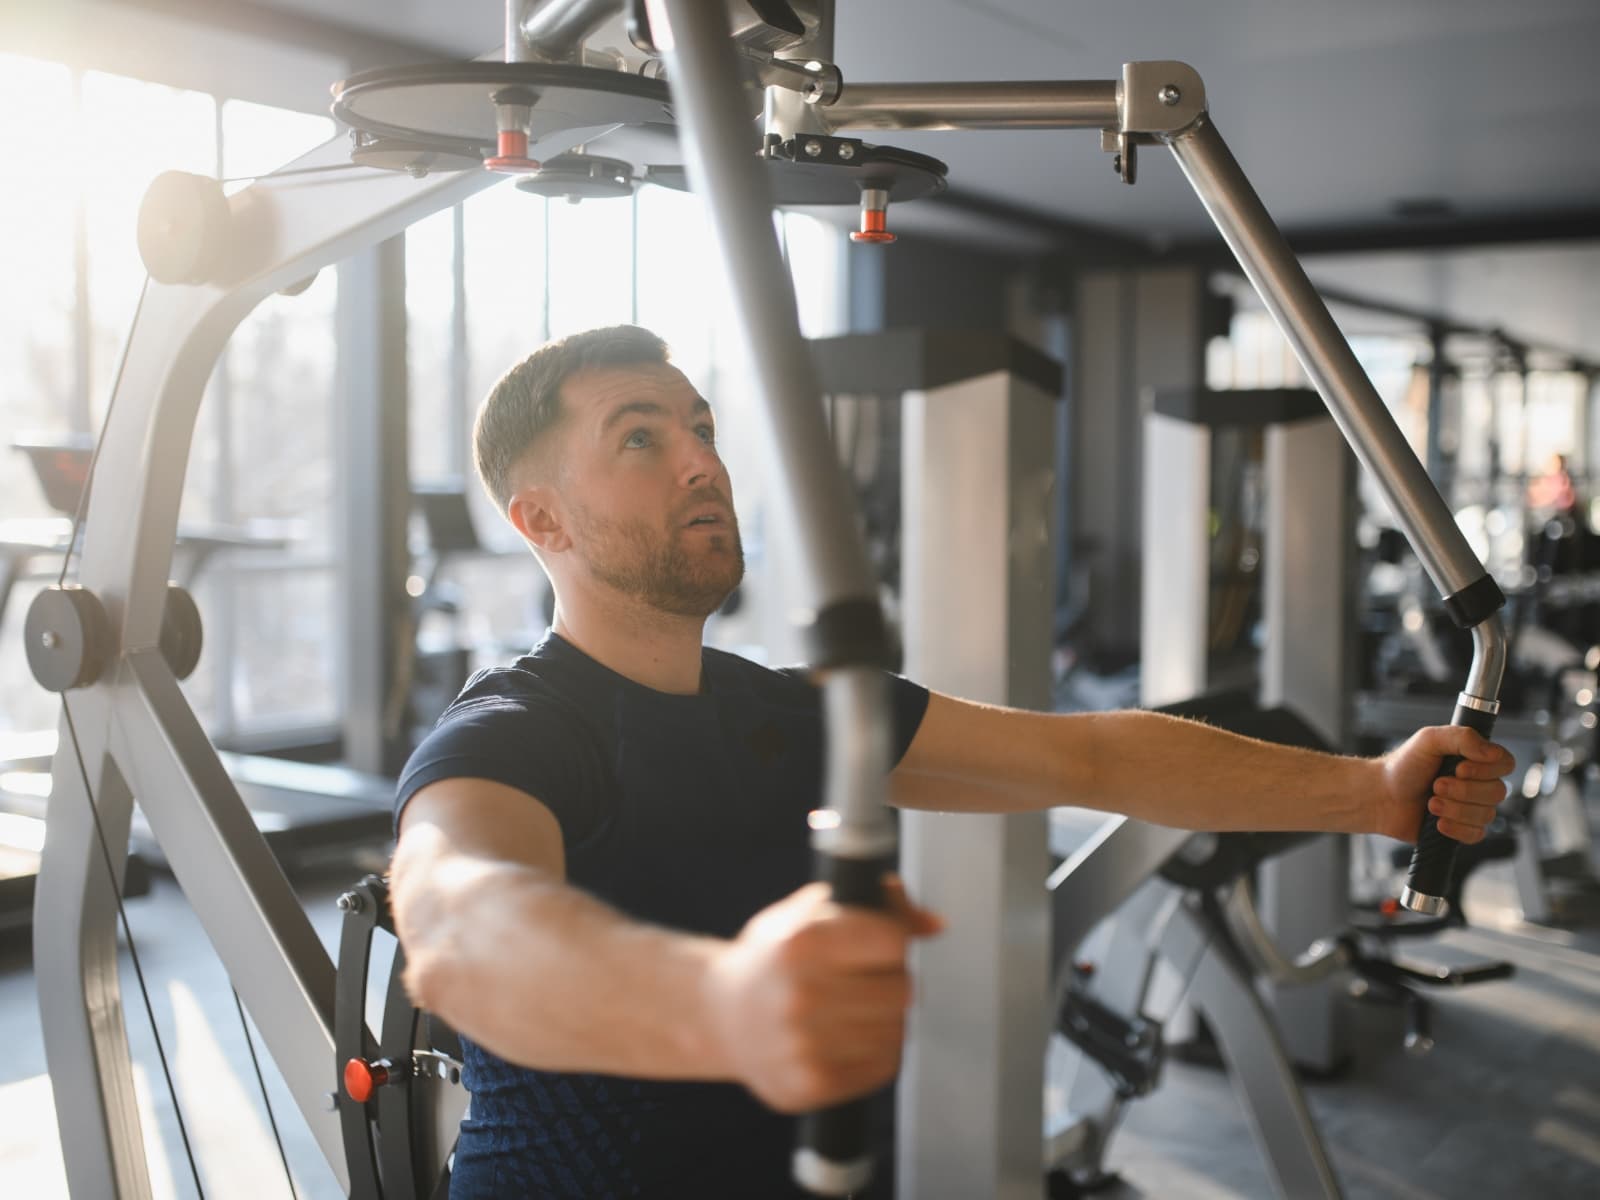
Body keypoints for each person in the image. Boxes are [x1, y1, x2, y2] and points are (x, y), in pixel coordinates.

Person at [390, 325, 1515, 1199]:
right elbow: (462, 929)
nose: (702, 463)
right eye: (641, 437)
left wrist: (1369, 792)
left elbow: (1087, 754)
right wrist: (721, 1003)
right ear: (540, 518)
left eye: (702, 427)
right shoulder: (517, 731)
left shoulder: (784, 713)